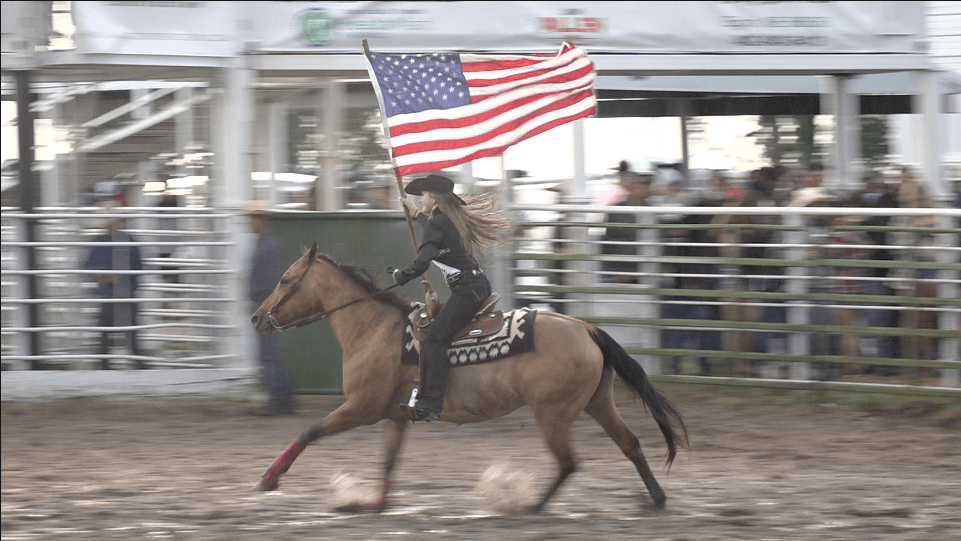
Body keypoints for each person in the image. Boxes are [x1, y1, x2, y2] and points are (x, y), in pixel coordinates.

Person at [392, 174, 512, 422]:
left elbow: (422, 261)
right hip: (477, 286)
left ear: (434, 198)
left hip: (467, 290)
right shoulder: (446, 220)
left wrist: (401, 276)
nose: (420, 199)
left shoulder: (438, 223)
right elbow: (433, 227)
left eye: (423, 195)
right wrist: (415, 212)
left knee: (435, 337)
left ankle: (431, 404)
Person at [242, 204, 296, 416]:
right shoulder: (267, 243)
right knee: (270, 352)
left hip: (266, 306)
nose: (250, 223)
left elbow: (266, 280)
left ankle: (276, 399)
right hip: (266, 305)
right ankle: (282, 398)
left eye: (253, 219)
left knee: (268, 353)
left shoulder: (267, 245)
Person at [82, 213, 145, 369]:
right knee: (115, 332)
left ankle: (112, 363)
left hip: (121, 294)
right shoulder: (119, 242)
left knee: (122, 332)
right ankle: (112, 362)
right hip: (114, 295)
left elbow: (137, 268)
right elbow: (88, 269)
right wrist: (104, 277)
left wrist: (107, 277)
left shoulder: (120, 242)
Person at [600, 160, 652, 283]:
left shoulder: (651, 210)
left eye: (645, 184)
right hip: (623, 268)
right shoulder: (616, 210)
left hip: (645, 267)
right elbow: (609, 242)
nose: (643, 188)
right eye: (639, 184)